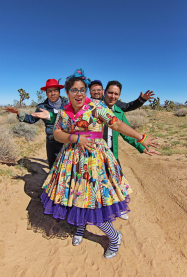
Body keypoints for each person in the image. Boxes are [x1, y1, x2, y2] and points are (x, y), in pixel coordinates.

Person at [31, 69, 159, 259]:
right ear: (67, 93)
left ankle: (114, 237)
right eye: (74, 90)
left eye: (82, 90)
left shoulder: (97, 107)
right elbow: (57, 134)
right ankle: (81, 227)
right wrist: (74, 138)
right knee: (75, 197)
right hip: (70, 163)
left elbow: (116, 124)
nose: (79, 93)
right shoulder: (63, 113)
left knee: (94, 201)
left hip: (95, 162)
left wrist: (141, 137)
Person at [103, 81, 161, 219]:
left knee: (117, 180)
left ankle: (119, 208)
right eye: (110, 92)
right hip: (94, 154)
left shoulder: (119, 112)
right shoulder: (94, 109)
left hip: (112, 153)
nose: (112, 96)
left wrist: (142, 147)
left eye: (116, 94)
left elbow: (127, 134)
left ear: (119, 96)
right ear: (104, 92)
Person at [3, 79, 67, 168]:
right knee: (53, 168)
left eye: (55, 90)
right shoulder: (42, 107)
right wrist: (18, 112)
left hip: (66, 140)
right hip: (51, 141)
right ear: (46, 93)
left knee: (66, 168)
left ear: (59, 92)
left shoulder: (67, 104)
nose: (52, 93)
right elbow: (31, 119)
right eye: (49, 91)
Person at [89, 79, 154, 111]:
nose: (113, 96)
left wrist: (141, 100)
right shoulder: (85, 105)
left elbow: (128, 106)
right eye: (93, 90)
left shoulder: (114, 105)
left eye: (116, 94)